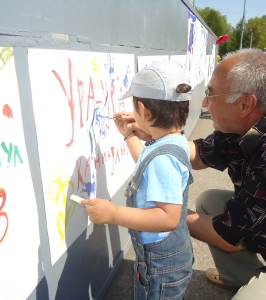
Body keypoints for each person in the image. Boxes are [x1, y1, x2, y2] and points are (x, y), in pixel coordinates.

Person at [120, 48, 266, 299]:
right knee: (210, 202)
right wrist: (157, 135)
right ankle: (242, 279)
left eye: (211, 94)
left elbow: (229, 236)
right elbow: (197, 154)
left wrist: (165, 213)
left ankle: (258, 288)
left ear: (245, 103)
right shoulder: (246, 123)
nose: (205, 103)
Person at [80, 61, 194, 299]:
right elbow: (146, 161)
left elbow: (168, 217)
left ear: (143, 110)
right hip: (169, 257)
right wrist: (130, 134)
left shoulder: (163, 159)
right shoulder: (174, 141)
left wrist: (114, 214)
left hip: (161, 266)